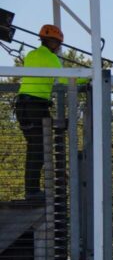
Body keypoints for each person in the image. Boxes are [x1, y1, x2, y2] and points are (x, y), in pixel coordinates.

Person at [14, 24, 65, 201]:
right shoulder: (51, 58)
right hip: (36, 106)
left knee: (34, 147)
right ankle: (32, 191)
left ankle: (31, 189)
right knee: (41, 147)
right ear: (52, 42)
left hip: (22, 106)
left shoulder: (31, 55)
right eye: (58, 44)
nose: (58, 47)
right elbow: (65, 80)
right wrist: (86, 79)